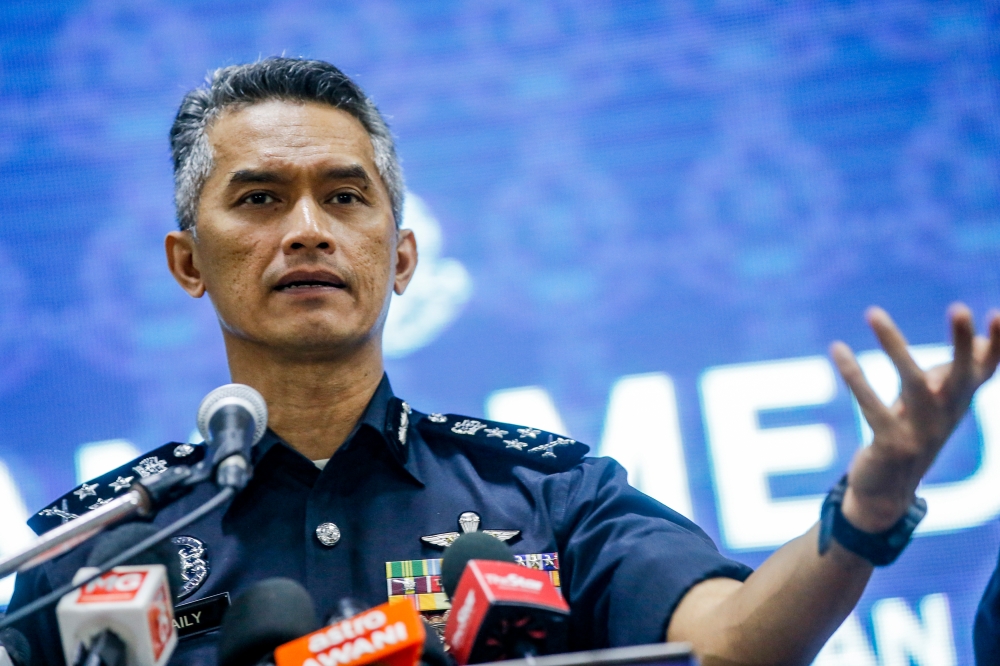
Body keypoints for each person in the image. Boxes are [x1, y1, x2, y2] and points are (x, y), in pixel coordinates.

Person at [8, 57, 1000, 666]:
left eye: (345, 197)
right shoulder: (92, 551)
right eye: (260, 199)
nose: (307, 230)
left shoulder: (549, 497)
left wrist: (869, 507)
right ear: (187, 262)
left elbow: (734, 644)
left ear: (401, 257)